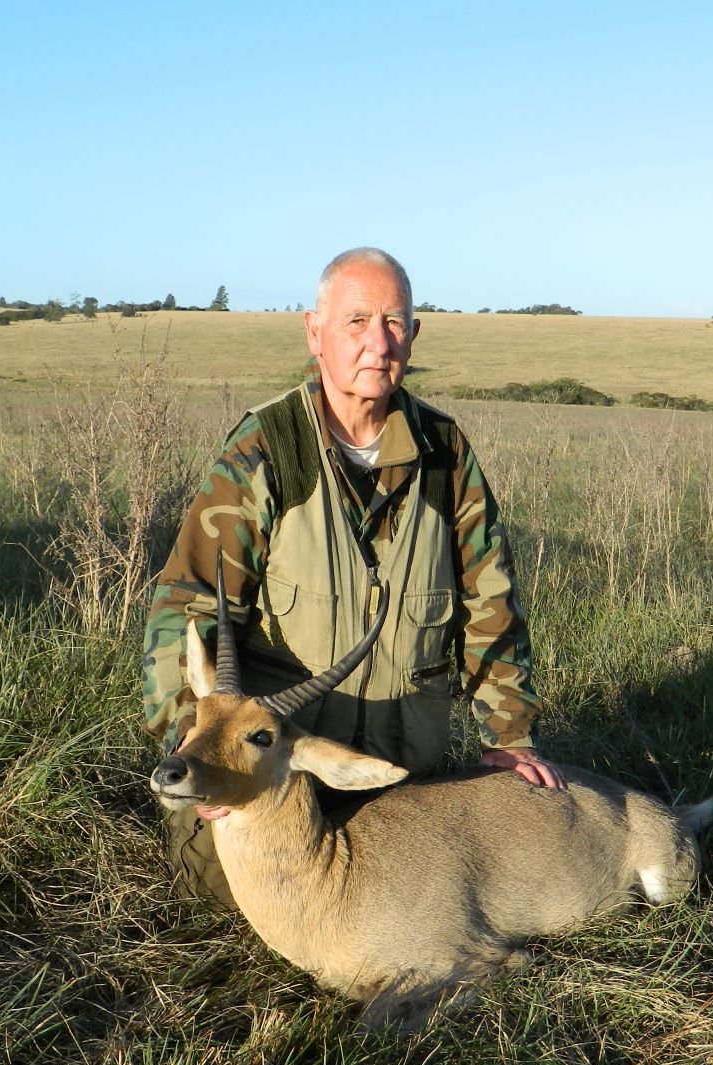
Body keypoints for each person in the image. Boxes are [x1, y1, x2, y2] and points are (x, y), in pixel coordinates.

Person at [141, 247, 562, 902]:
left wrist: (507, 738)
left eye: (395, 323)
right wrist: (197, 762)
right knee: (252, 900)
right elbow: (183, 610)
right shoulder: (266, 448)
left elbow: (491, 600)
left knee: (440, 898)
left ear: (415, 336)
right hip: (275, 777)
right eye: (357, 321)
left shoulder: (444, 452)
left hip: (399, 779)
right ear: (315, 332)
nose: (378, 343)